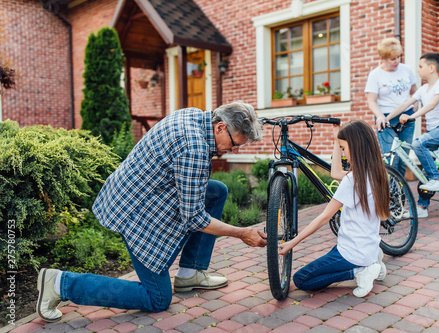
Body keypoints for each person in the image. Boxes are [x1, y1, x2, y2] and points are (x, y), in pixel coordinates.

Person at [36, 102, 267, 322]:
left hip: (135, 191)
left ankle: (190, 272)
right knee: (157, 298)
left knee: (216, 191)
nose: (233, 151)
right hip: (134, 212)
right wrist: (241, 233)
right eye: (234, 143)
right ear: (220, 127)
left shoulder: (195, 115)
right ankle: (60, 284)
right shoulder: (194, 147)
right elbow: (194, 218)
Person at [278, 120, 390, 298]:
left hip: (352, 253)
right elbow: (336, 173)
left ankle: (361, 271)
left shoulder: (353, 180)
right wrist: (337, 140)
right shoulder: (376, 174)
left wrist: (292, 243)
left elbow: (323, 217)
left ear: (356, 147)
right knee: (327, 264)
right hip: (366, 246)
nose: (343, 154)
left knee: (302, 280)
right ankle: (372, 259)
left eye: (344, 148)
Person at [387, 53, 439, 218]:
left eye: (420, 66)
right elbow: (405, 104)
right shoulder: (422, 90)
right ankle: (422, 208)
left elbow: (432, 105)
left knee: (418, 144)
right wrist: (386, 118)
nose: (418, 70)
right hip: (434, 132)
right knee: (423, 175)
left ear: (431, 68)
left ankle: (436, 179)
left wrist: (412, 116)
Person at [365, 37, 418, 178]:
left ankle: (399, 193)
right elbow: (371, 101)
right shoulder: (375, 75)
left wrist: (414, 111)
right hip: (386, 118)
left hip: (406, 117)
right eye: (392, 59)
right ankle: (389, 192)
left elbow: (414, 93)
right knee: (389, 160)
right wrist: (380, 116)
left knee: (402, 160)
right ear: (382, 58)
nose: (397, 61)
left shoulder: (406, 70)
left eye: (398, 57)